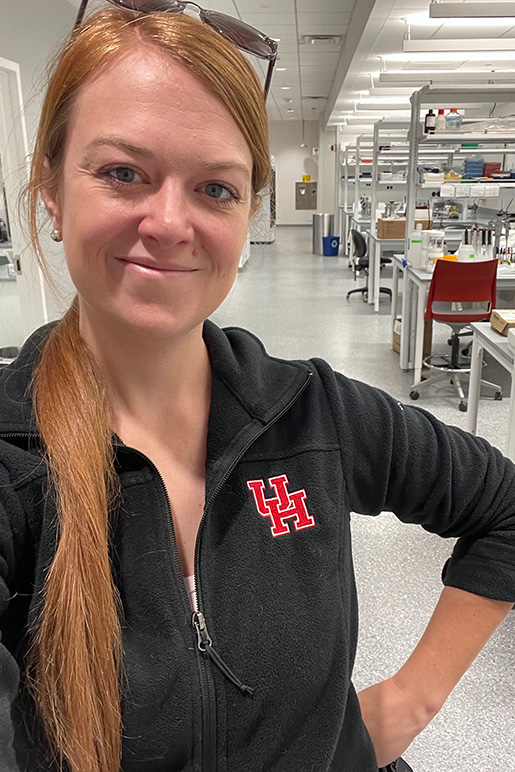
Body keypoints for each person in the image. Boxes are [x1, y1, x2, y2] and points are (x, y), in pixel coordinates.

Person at [0, 3, 514, 772]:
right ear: (50, 191)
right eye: (122, 173)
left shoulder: (312, 412)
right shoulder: (14, 468)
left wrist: (409, 704)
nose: (170, 222)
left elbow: (502, 505)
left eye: (215, 188)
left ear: (248, 213)